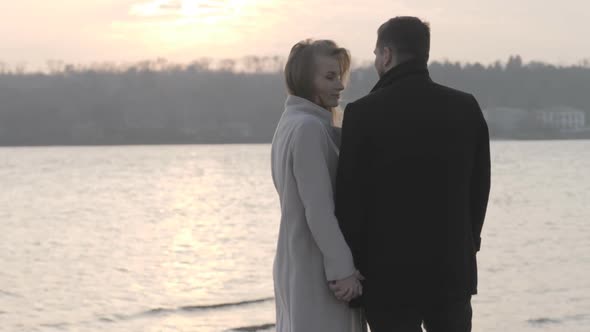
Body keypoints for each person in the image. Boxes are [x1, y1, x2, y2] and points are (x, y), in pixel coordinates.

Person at [333, 16, 491, 332]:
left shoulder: (363, 113)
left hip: (387, 275)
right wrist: (468, 242)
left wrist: (350, 266)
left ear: (387, 54)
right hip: (452, 268)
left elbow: (350, 199)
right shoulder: (465, 107)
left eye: (377, 54)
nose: (377, 60)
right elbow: (480, 187)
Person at [270, 39, 366, 332]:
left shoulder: (292, 122)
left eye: (339, 76)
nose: (339, 85)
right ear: (304, 78)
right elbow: (319, 209)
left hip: (297, 257)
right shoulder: (308, 128)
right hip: (317, 266)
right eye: (329, 77)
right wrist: (343, 270)